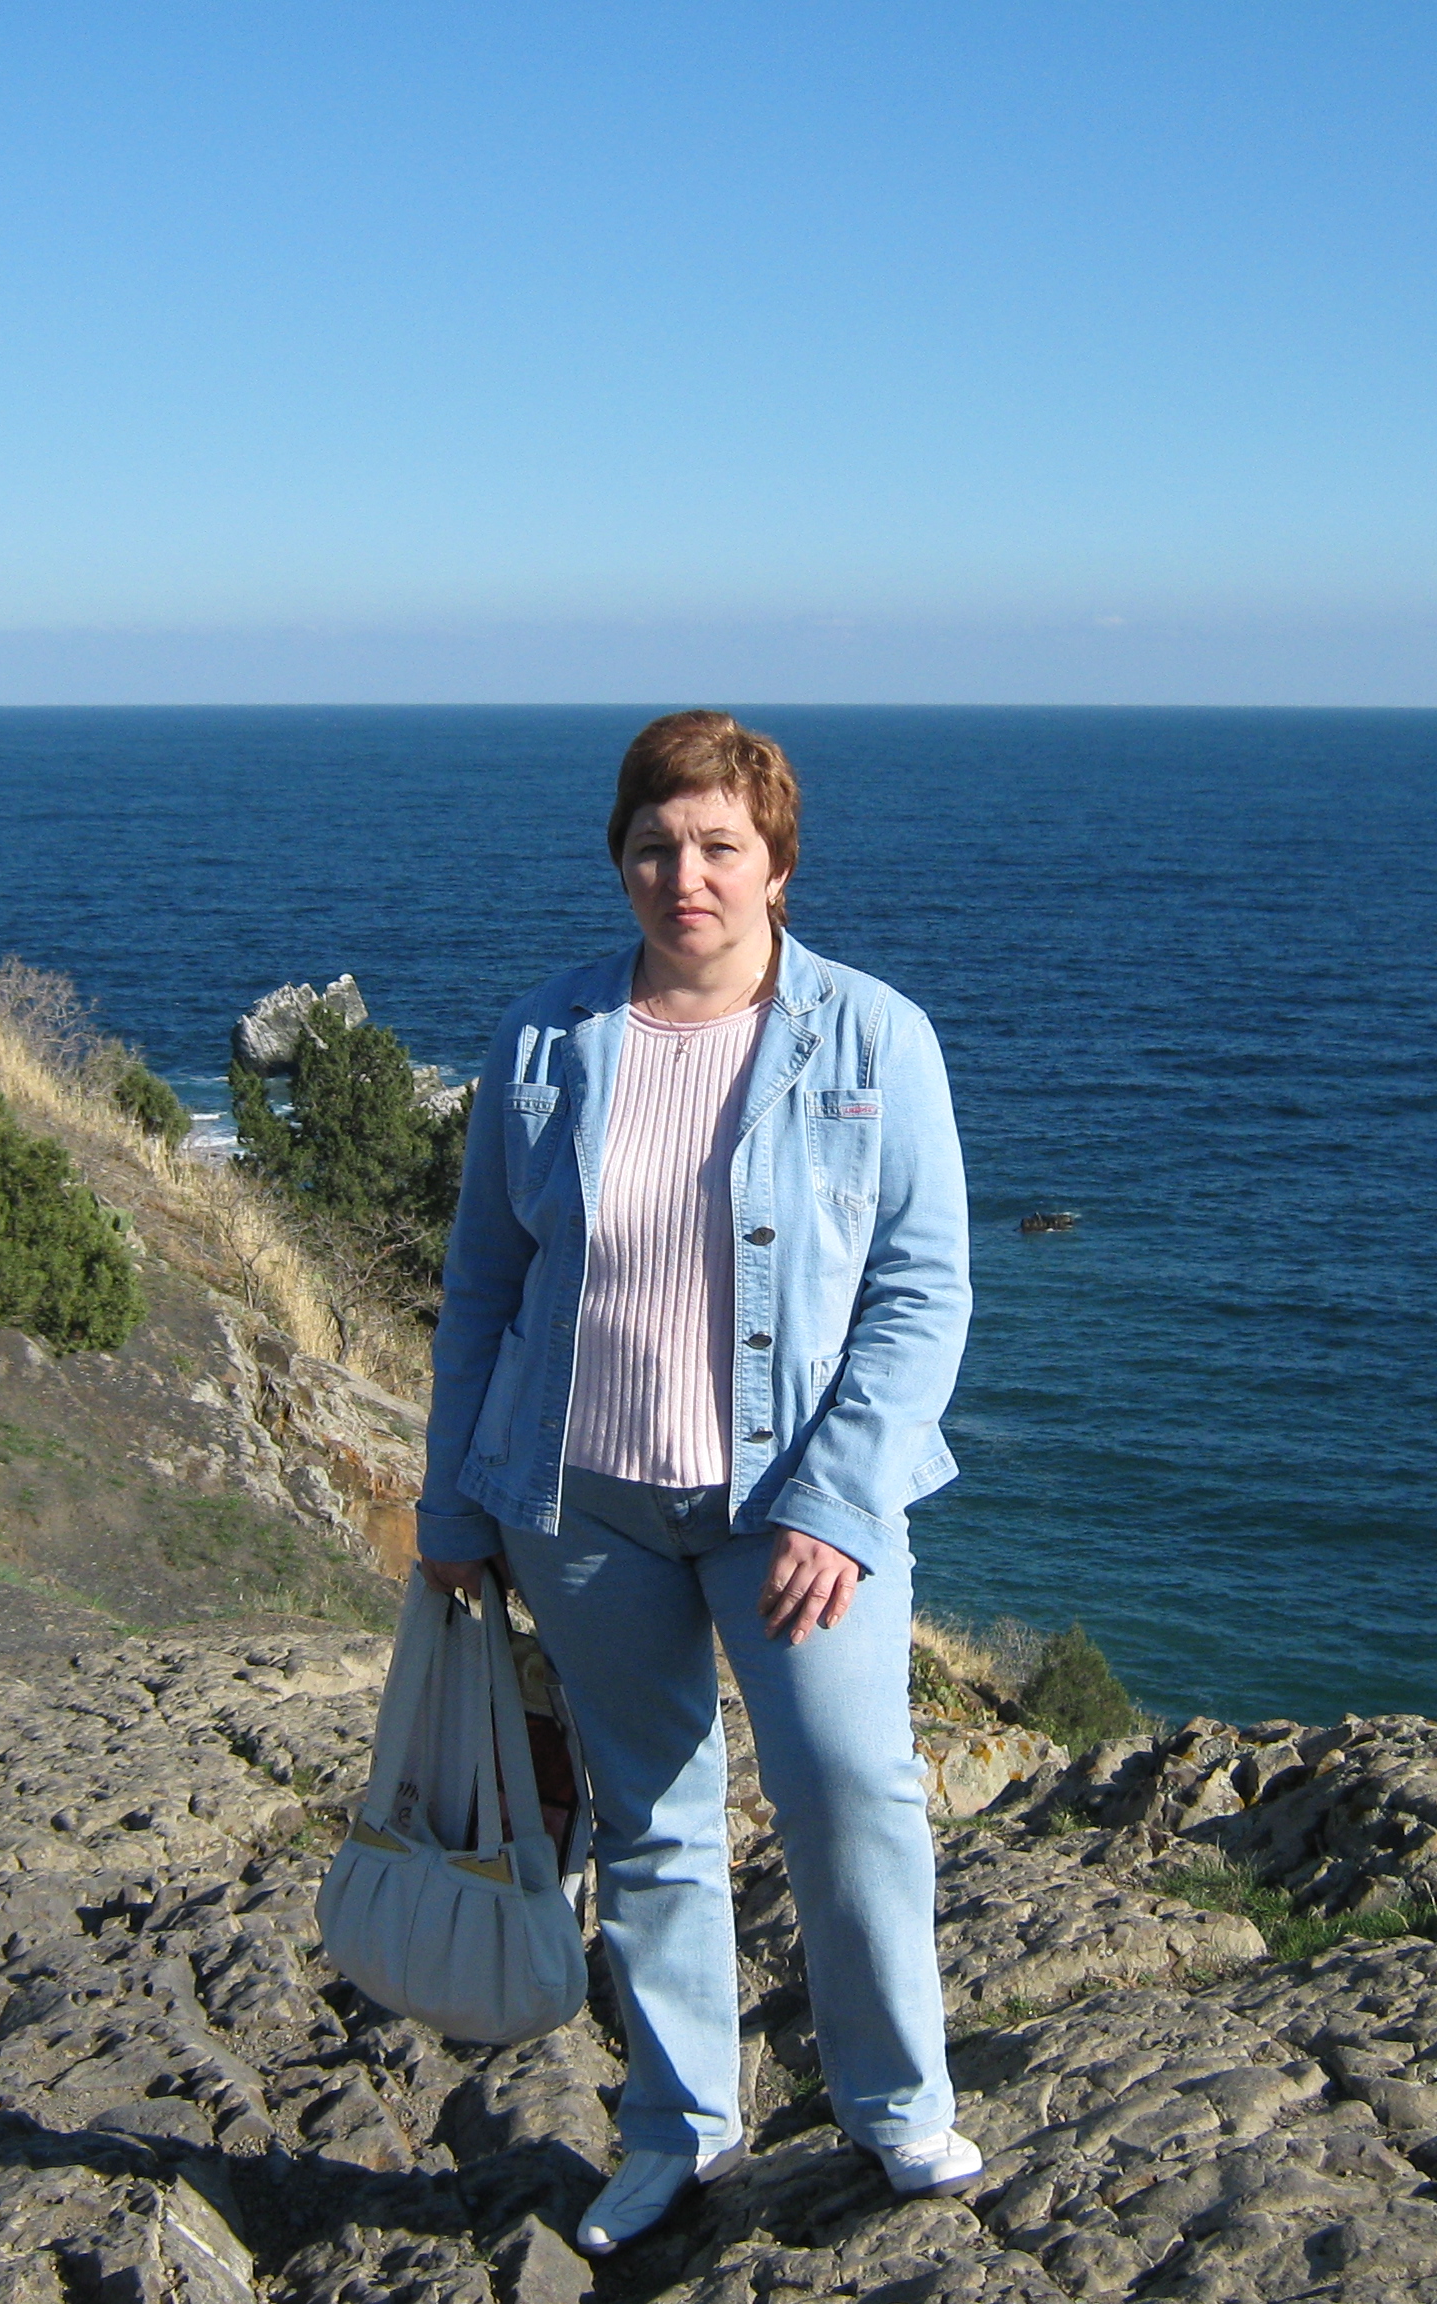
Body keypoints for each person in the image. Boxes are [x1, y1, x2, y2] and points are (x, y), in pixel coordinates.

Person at [415, 711, 976, 2255]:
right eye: (657, 845)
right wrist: (451, 1506)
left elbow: (922, 1291)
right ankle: (679, 2129)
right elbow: (482, 1286)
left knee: (851, 1791)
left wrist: (839, 1504)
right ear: (620, 859)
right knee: (650, 1819)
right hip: (578, 1501)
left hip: (790, 1504)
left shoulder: (873, 1036)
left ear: (777, 864)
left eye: (721, 845)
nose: (688, 875)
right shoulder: (546, 1037)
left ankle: (896, 2107)